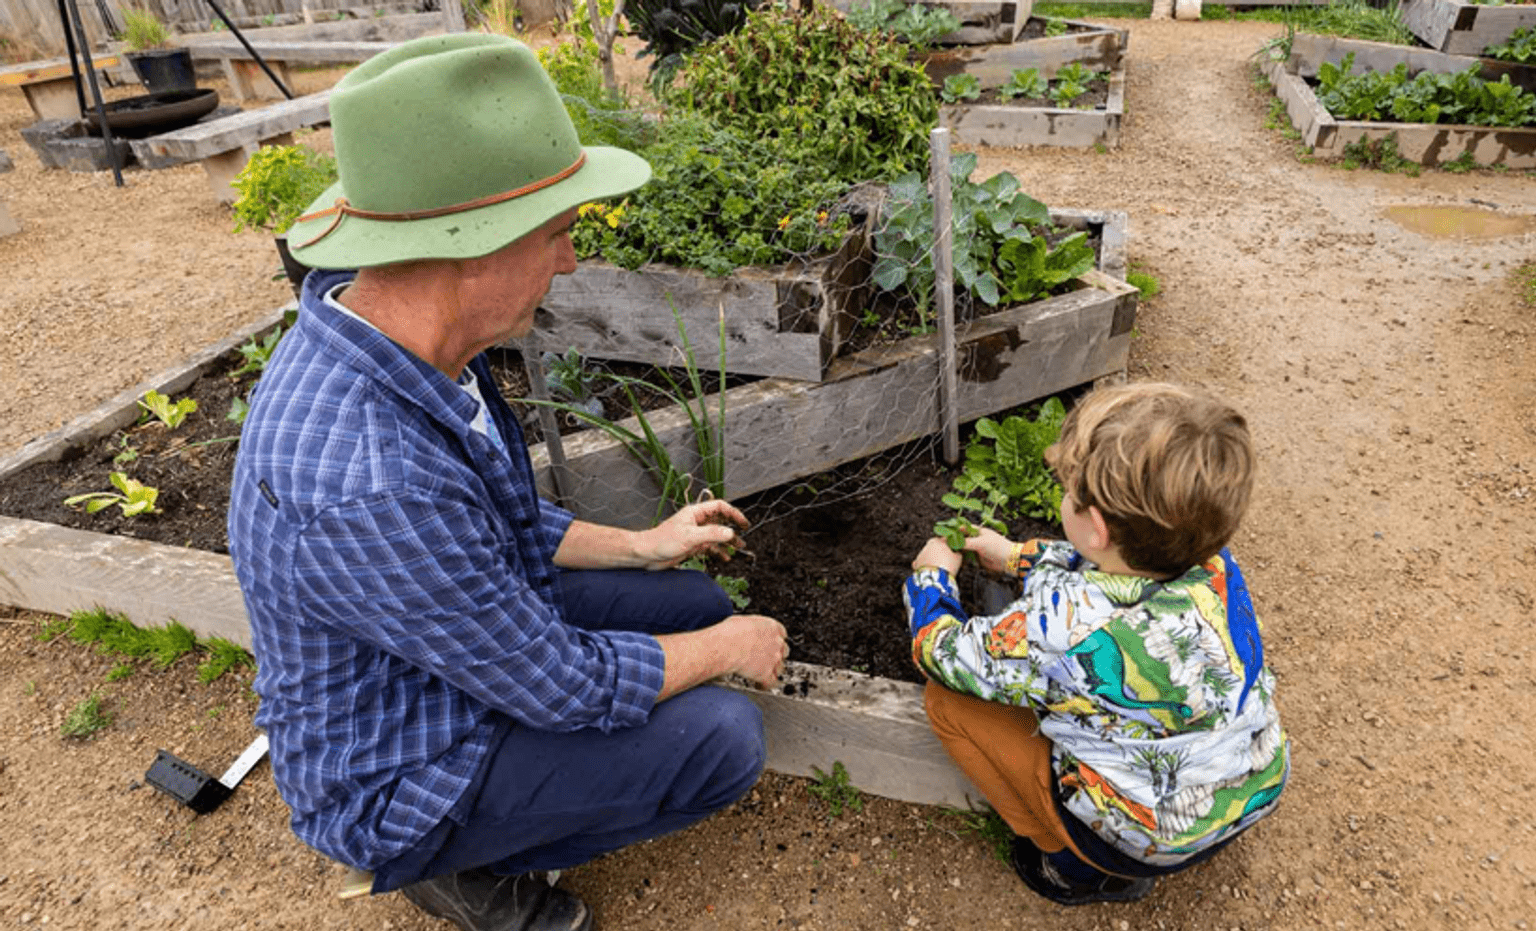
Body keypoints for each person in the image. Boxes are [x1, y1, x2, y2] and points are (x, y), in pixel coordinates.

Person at [227, 34, 788, 931]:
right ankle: (450, 863)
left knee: (690, 601)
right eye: (558, 234)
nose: (568, 261)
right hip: (395, 766)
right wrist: (733, 650)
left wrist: (646, 543)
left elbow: (506, 515)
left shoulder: (405, 327)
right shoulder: (371, 484)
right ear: (468, 248)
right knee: (723, 737)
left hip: (444, 640)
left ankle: (495, 821)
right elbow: (563, 685)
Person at [902, 382, 1289, 906]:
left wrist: (931, 582)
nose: (1062, 496)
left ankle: (1071, 865)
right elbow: (1113, 575)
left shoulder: (1059, 631)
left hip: (1144, 838)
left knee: (947, 703)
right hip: (1253, 786)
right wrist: (1018, 556)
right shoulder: (1216, 566)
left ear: (1097, 528)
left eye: (1068, 492)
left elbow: (939, 652)